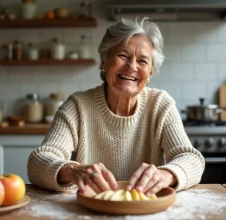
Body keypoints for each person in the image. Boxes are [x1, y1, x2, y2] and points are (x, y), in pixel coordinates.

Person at [27, 17, 205, 197]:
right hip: (91, 209)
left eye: (142, 61)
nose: (131, 66)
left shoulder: (160, 104)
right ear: (104, 61)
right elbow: (37, 162)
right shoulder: (78, 106)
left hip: (146, 209)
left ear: (151, 71)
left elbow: (192, 159)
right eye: (123, 55)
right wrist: (73, 170)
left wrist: (165, 175)